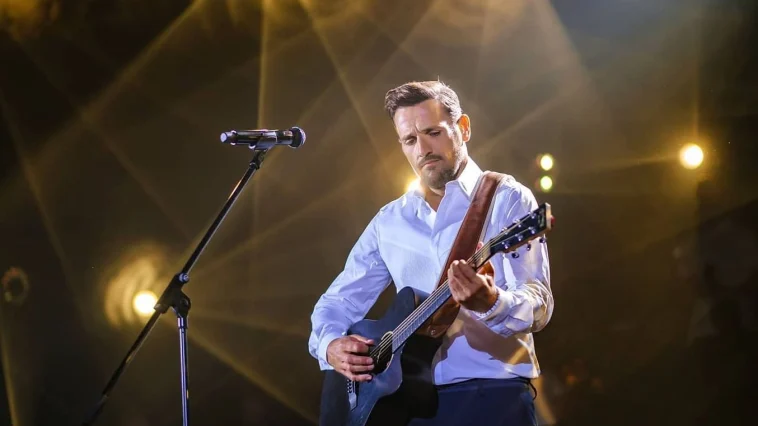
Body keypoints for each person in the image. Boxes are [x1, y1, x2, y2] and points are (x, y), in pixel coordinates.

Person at [308, 80, 553, 425]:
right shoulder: (389, 220)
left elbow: (539, 304)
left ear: (463, 128)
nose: (423, 148)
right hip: (406, 405)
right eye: (410, 140)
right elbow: (336, 303)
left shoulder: (507, 198)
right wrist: (330, 345)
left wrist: (491, 302)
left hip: (493, 397)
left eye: (433, 132)